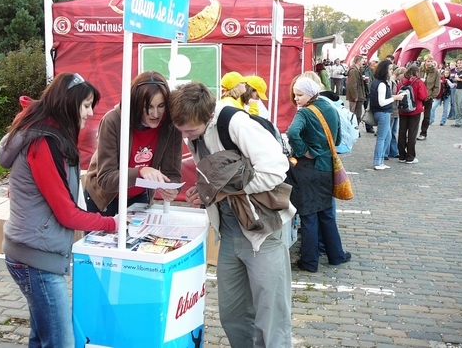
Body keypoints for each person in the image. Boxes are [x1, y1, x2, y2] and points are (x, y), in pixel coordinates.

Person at [0, 72, 119, 348]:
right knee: (61, 342)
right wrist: (112, 223)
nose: (89, 113)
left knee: (42, 337)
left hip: (31, 251)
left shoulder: (47, 134)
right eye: (86, 105)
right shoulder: (44, 143)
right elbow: (66, 213)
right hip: (35, 259)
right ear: (69, 104)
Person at [169, 82, 295, 348]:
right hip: (229, 233)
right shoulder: (195, 133)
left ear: (208, 116)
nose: (186, 136)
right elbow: (218, 175)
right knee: (233, 314)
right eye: (181, 130)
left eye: (190, 130)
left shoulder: (235, 124)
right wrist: (204, 191)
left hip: (262, 231)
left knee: (271, 317)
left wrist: (227, 192)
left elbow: (276, 170)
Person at [83, 71, 182, 217]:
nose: (155, 114)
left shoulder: (171, 126)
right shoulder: (113, 121)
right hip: (104, 198)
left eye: (161, 106)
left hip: (139, 196)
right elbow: (106, 179)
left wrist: (172, 189)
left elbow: (172, 174)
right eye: (148, 107)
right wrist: (141, 171)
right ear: (136, 104)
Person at [286, 77, 351, 272]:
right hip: (327, 167)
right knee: (326, 214)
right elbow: (338, 138)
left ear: (311, 93)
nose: (296, 99)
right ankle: (336, 255)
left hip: (307, 168)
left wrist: (304, 150)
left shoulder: (305, 113)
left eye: (299, 95)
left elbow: (291, 133)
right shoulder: (330, 107)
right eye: (295, 95)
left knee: (308, 216)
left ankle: (309, 262)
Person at [369, 60, 405, 170]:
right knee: (382, 138)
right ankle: (377, 161)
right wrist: (395, 98)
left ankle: (380, 160)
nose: (391, 71)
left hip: (382, 112)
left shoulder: (377, 82)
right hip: (383, 112)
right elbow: (382, 102)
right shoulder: (381, 84)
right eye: (389, 69)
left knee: (387, 136)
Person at [397, 66, 428, 164]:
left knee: (402, 132)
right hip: (415, 110)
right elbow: (423, 96)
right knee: (412, 133)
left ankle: (401, 155)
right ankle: (410, 156)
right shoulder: (418, 82)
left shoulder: (402, 82)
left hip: (402, 110)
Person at [417, 54, 441, 141]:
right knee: (415, 115)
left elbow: (437, 86)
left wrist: (432, 96)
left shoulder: (435, 72)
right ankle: (413, 132)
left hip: (428, 96)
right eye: (428, 61)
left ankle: (423, 133)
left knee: (426, 116)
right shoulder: (419, 70)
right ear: (425, 61)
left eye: (431, 61)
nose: (429, 63)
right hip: (419, 96)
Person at [386, 67, 406, 159]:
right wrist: (397, 97)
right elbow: (388, 95)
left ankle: (393, 151)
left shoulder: (397, 82)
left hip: (395, 109)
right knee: (389, 132)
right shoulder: (391, 82)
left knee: (393, 131)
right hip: (392, 108)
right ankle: (387, 152)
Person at [346, 55, 367, 125]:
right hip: (356, 97)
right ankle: (354, 130)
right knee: (355, 114)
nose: (363, 62)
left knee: (357, 114)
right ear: (358, 61)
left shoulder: (356, 70)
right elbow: (352, 85)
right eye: (362, 61)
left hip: (358, 95)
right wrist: (355, 96)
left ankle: (355, 129)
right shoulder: (354, 71)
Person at [361, 57, 376, 133]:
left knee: (368, 109)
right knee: (358, 110)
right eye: (362, 58)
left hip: (369, 91)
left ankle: (369, 126)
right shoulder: (358, 69)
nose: (364, 60)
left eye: (365, 58)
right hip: (361, 91)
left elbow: (373, 79)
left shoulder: (370, 69)